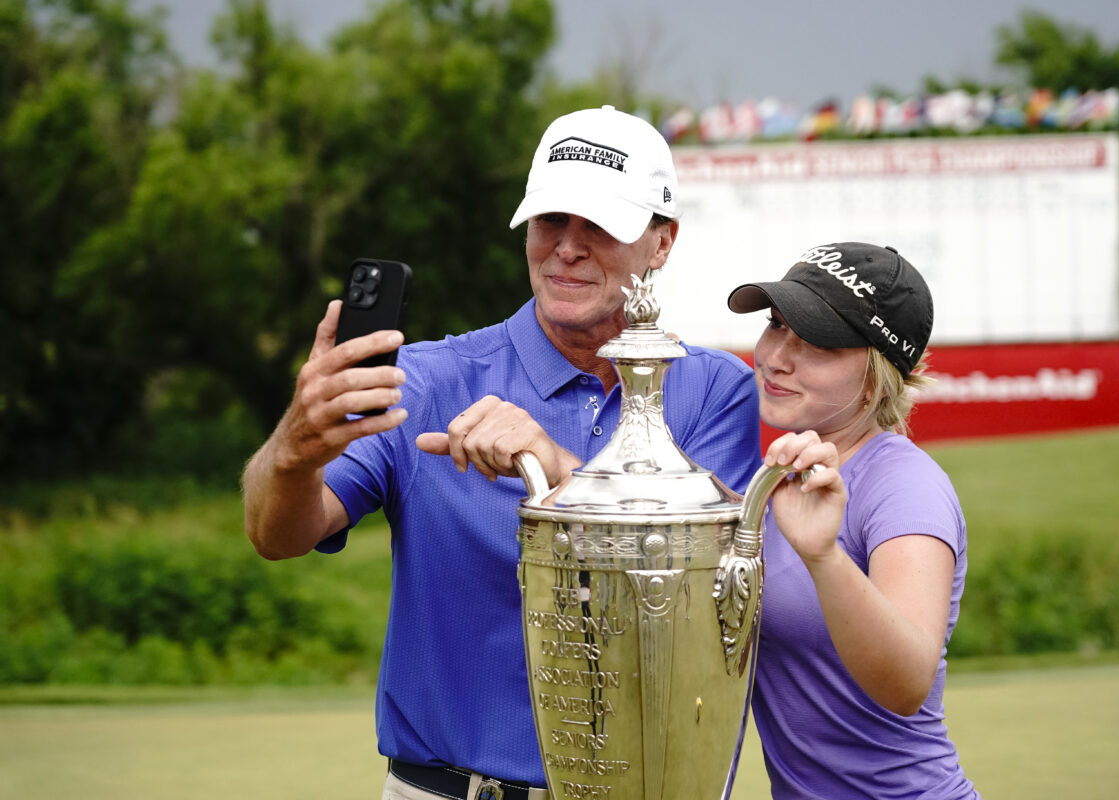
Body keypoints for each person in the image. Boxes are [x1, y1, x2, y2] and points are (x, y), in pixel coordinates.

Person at [241, 105, 762, 800]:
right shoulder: (426, 379)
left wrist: (554, 464)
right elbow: (278, 534)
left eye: (600, 226)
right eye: (551, 222)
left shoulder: (715, 389)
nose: (567, 248)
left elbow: (706, 592)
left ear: (661, 242)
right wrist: (293, 450)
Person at [726, 242, 980, 799]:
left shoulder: (904, 484)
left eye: (814, 342)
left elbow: (909, 679)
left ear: (874, 377)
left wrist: (825, 558)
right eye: (776, 324)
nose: (776, 356)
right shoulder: (779, 479)